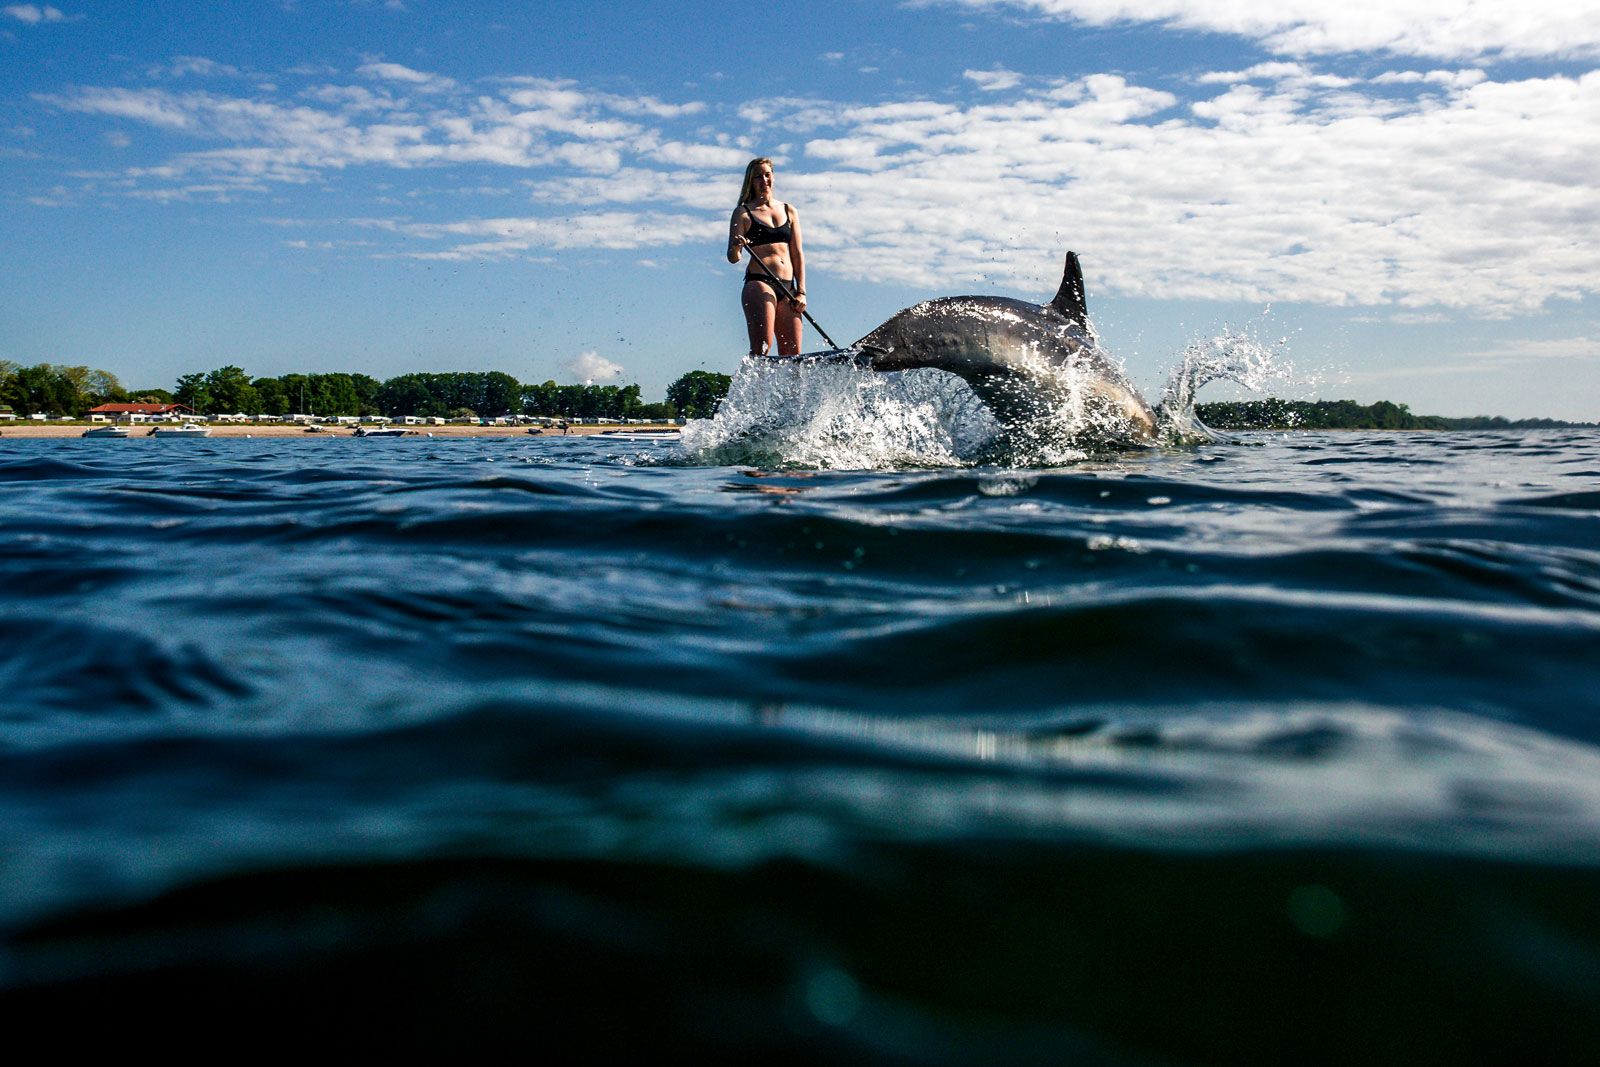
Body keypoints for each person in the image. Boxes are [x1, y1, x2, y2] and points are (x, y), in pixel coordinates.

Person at [727, 157, 806, 356]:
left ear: (773, 176)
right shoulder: (743, 213)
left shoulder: (789, 210)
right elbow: (732, 257)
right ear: (751, 182)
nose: (764, 180)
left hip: (788, 287)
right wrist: (737, 246)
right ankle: (755, 387)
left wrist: (801, 291)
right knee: (763, 347)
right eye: (758, 177)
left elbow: (797, 253)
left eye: (767, 175)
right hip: (760, 282)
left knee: (792, 353)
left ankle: (789, 389)